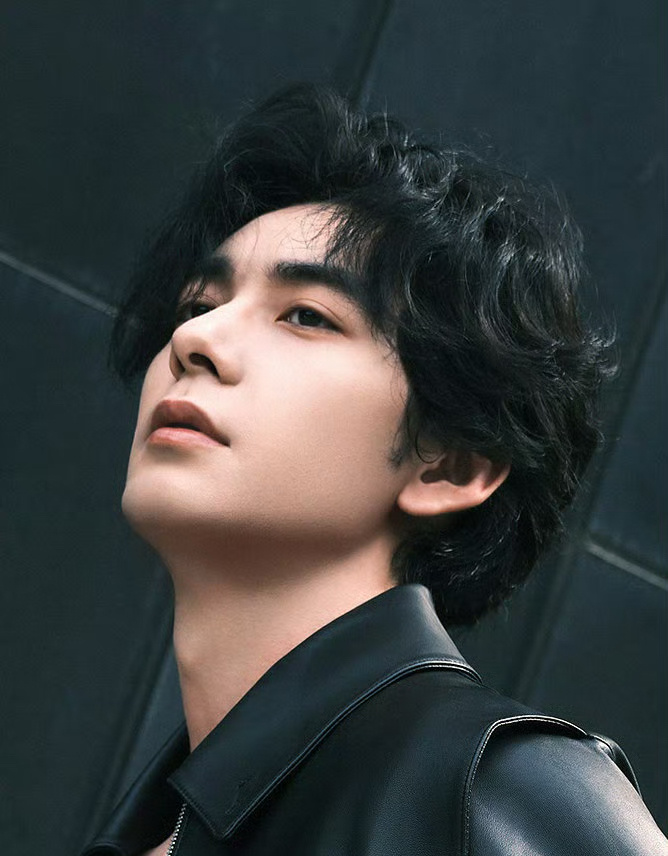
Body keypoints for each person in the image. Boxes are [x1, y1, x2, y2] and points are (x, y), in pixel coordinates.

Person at [81, 84, 667, 855]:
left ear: (450, 465)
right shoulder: (153, 835)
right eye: (198, 305)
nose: (198, 340)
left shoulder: (497, 790)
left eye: (307, 315)